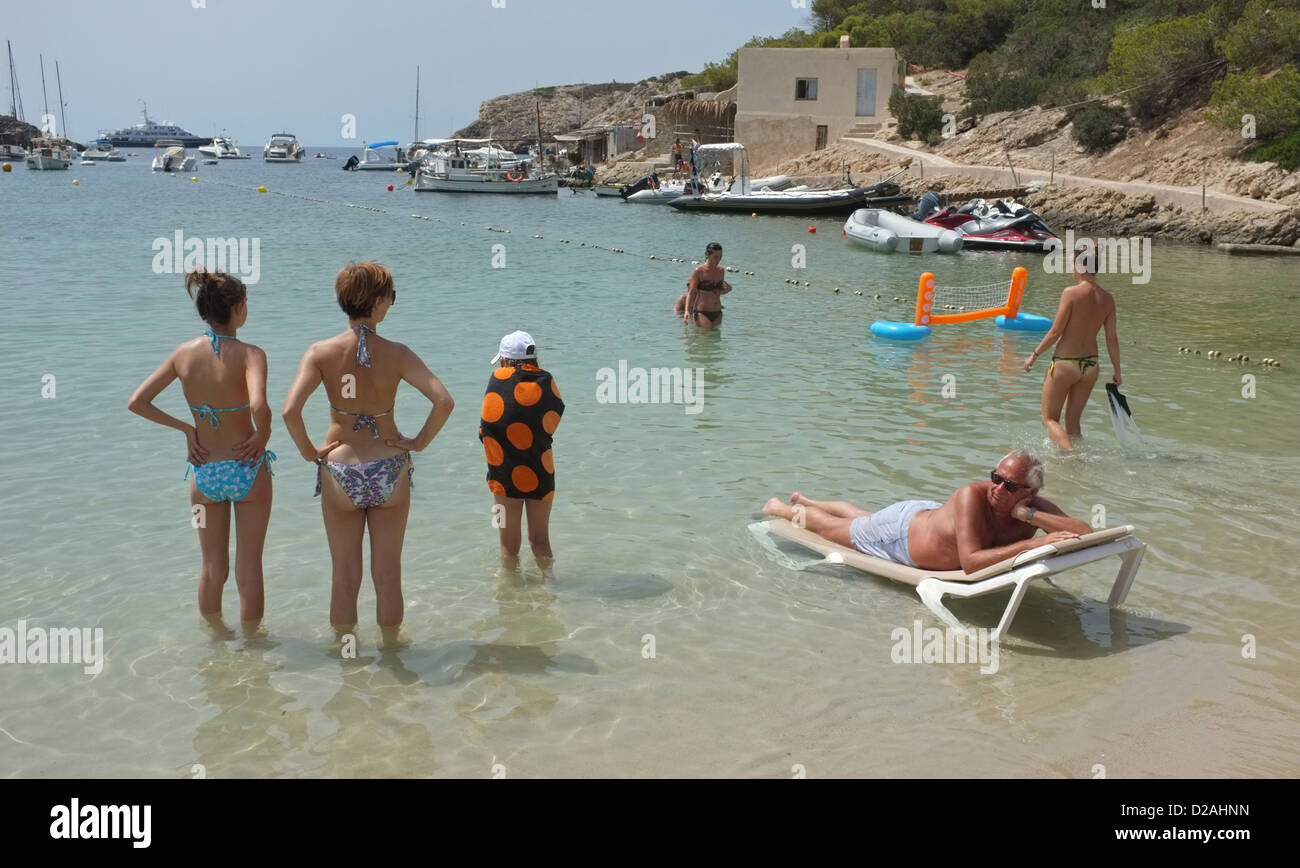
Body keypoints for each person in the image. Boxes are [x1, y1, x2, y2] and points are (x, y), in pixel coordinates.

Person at [282, 262, 454, 636]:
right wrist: (419, 443)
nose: (391, 304)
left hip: (339, 470)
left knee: (344, 576)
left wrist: (309, 451)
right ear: (377, 303)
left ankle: (349, 666)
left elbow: (289, 411)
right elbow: (444, 402)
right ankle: (392, 666)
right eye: (391, 298)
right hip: (389, 469)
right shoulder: (398, 353)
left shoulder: (320, 352)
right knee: (388, 575)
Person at [128, 269, 274, 628]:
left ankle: (215, 644)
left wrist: (186, 429)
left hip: (204, 473)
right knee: (249, 566)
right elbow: (258, 406)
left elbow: (138, 402)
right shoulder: (251, 354)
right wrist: (262, 434)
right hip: (248, 470)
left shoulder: (183, 355)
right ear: (240, 308)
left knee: (211, 567)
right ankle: (252, 648)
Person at [761, 450, 1092, 573]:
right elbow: (971, 562)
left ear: (1031, 493)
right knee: (831, 531)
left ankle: (810, 500)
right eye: (996, 478)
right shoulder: (971, 496)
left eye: (1010, 486)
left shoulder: (1030, 506)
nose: (998, 489)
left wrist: (1030, 517)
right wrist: (1030, 544)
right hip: (900, 535)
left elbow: (1087, 533)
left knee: (862, 518)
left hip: (927, 518)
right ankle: (784, 509)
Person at [479, 331, 564, 573]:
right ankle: (549, 589)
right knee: (540, 542)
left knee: (507, 548)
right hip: (542, 474)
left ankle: (508, 601)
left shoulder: (496, 378)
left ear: (505, 361)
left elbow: (486, 426)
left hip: (501, 477)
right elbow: (554, 417)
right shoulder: (547, 381)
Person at [1023, 245, 1121, 450]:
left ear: (1079, 265)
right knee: (1073, 423)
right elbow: (1112, 338)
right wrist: (1117, 370)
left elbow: (1056, 332)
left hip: (1065, 363)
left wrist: (1034, 355)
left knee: (1049, 420)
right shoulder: (1108, 299)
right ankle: (1075, 457)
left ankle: (1071, 456)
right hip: (1091, 366)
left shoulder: (1071, 293)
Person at [674, 242, 731, 328]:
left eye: (720, 257)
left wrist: (728, 289)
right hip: (702, 312)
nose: (718, 260)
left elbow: (718, 291)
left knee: (715, 339)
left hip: (717, 313)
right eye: (715, 257)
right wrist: (687, 311)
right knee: (705, 339)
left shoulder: (721, 271)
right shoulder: (699, 271)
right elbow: (691, 292)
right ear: (707, 254)